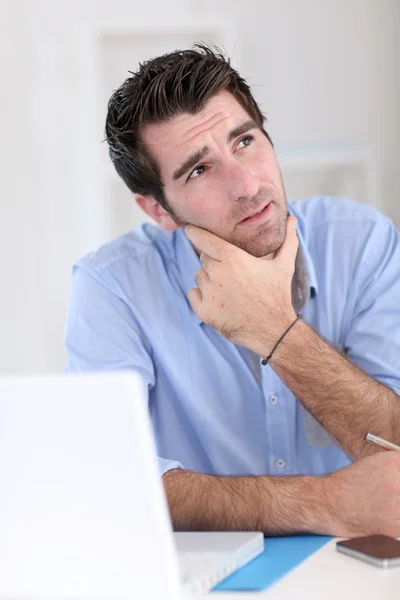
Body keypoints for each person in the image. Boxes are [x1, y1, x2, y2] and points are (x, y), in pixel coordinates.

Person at [65, 44, 400, 538]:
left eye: (244, 142)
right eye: (199, 170)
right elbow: (108, 480)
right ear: (158, 210)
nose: (245, 185)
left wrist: (275, 330)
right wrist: (325, 502)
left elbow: (392, 447)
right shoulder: (111, 287)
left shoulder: (362, 243)